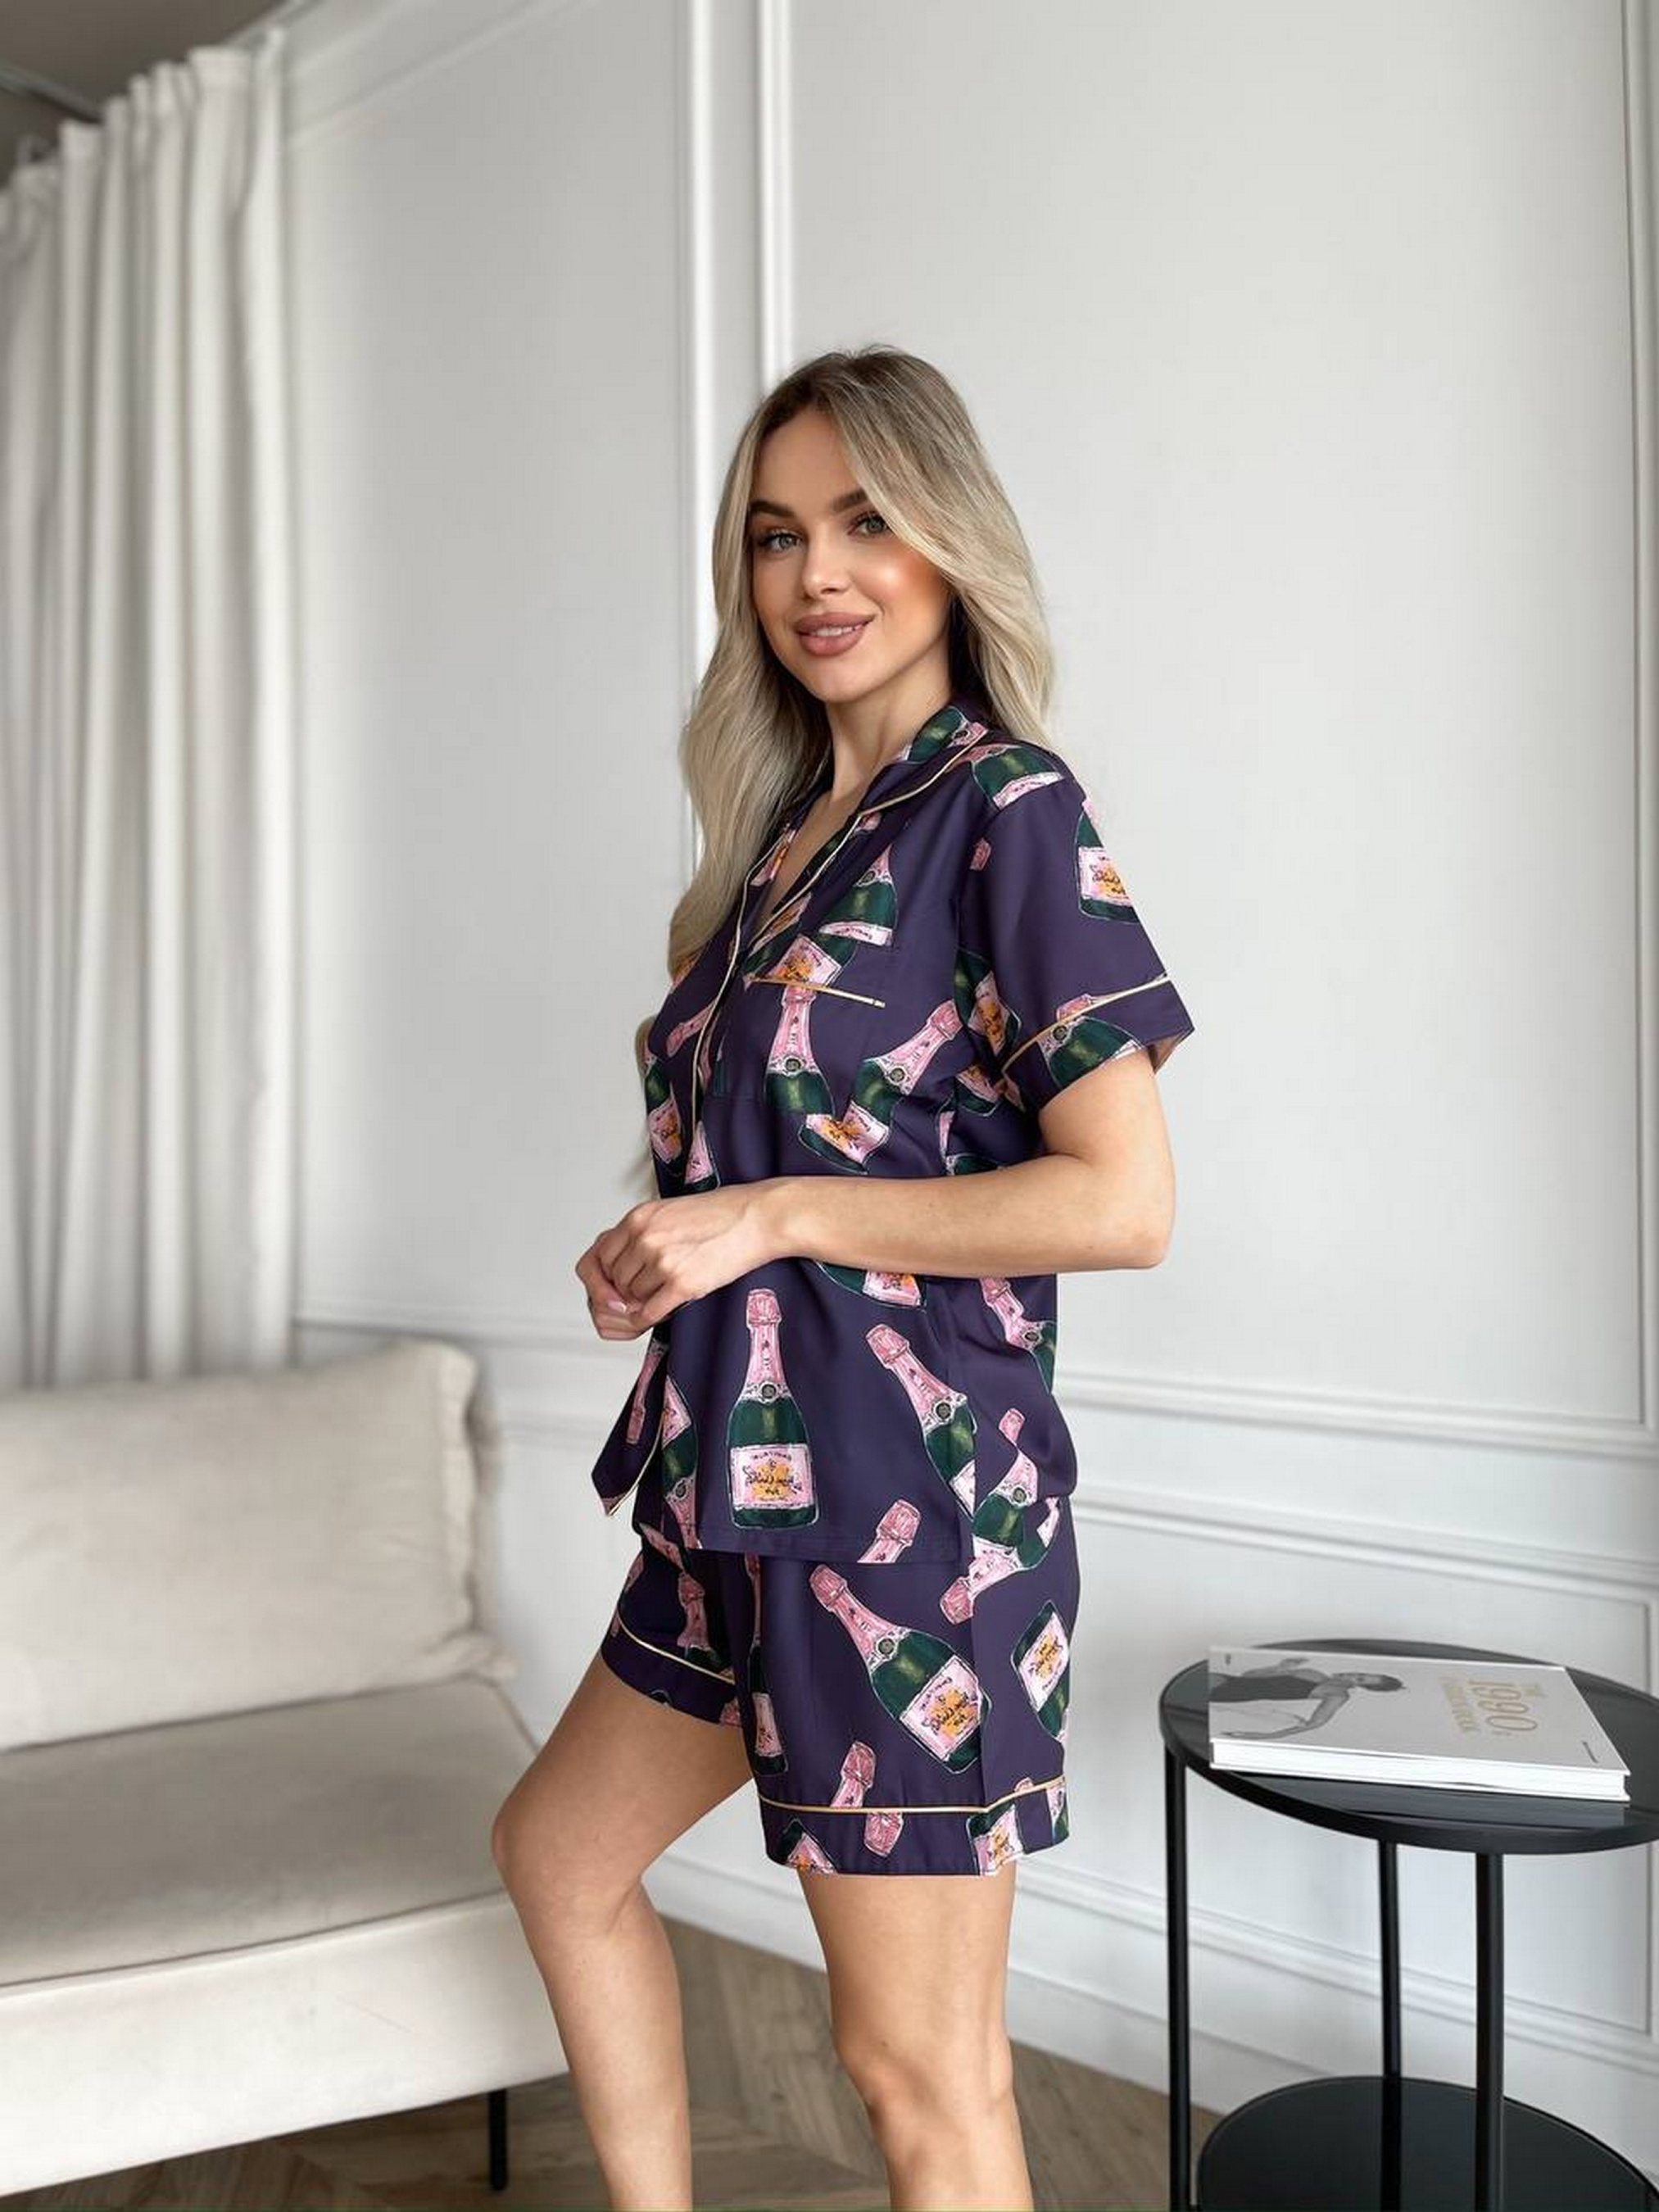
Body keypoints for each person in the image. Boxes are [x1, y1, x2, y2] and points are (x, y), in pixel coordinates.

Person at [492, 344, 1196, 2212]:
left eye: (866, 521)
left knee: (920, 2077)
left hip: (909, 1523)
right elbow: (780, 1178)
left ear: (950, 539)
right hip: (729, 1498)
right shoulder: (778, 848)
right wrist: (677, 1250)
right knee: (559, 1857)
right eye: (775, 533)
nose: (818, 573)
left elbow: (1122, 1201)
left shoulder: (1006, 808)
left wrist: (775, 1217)